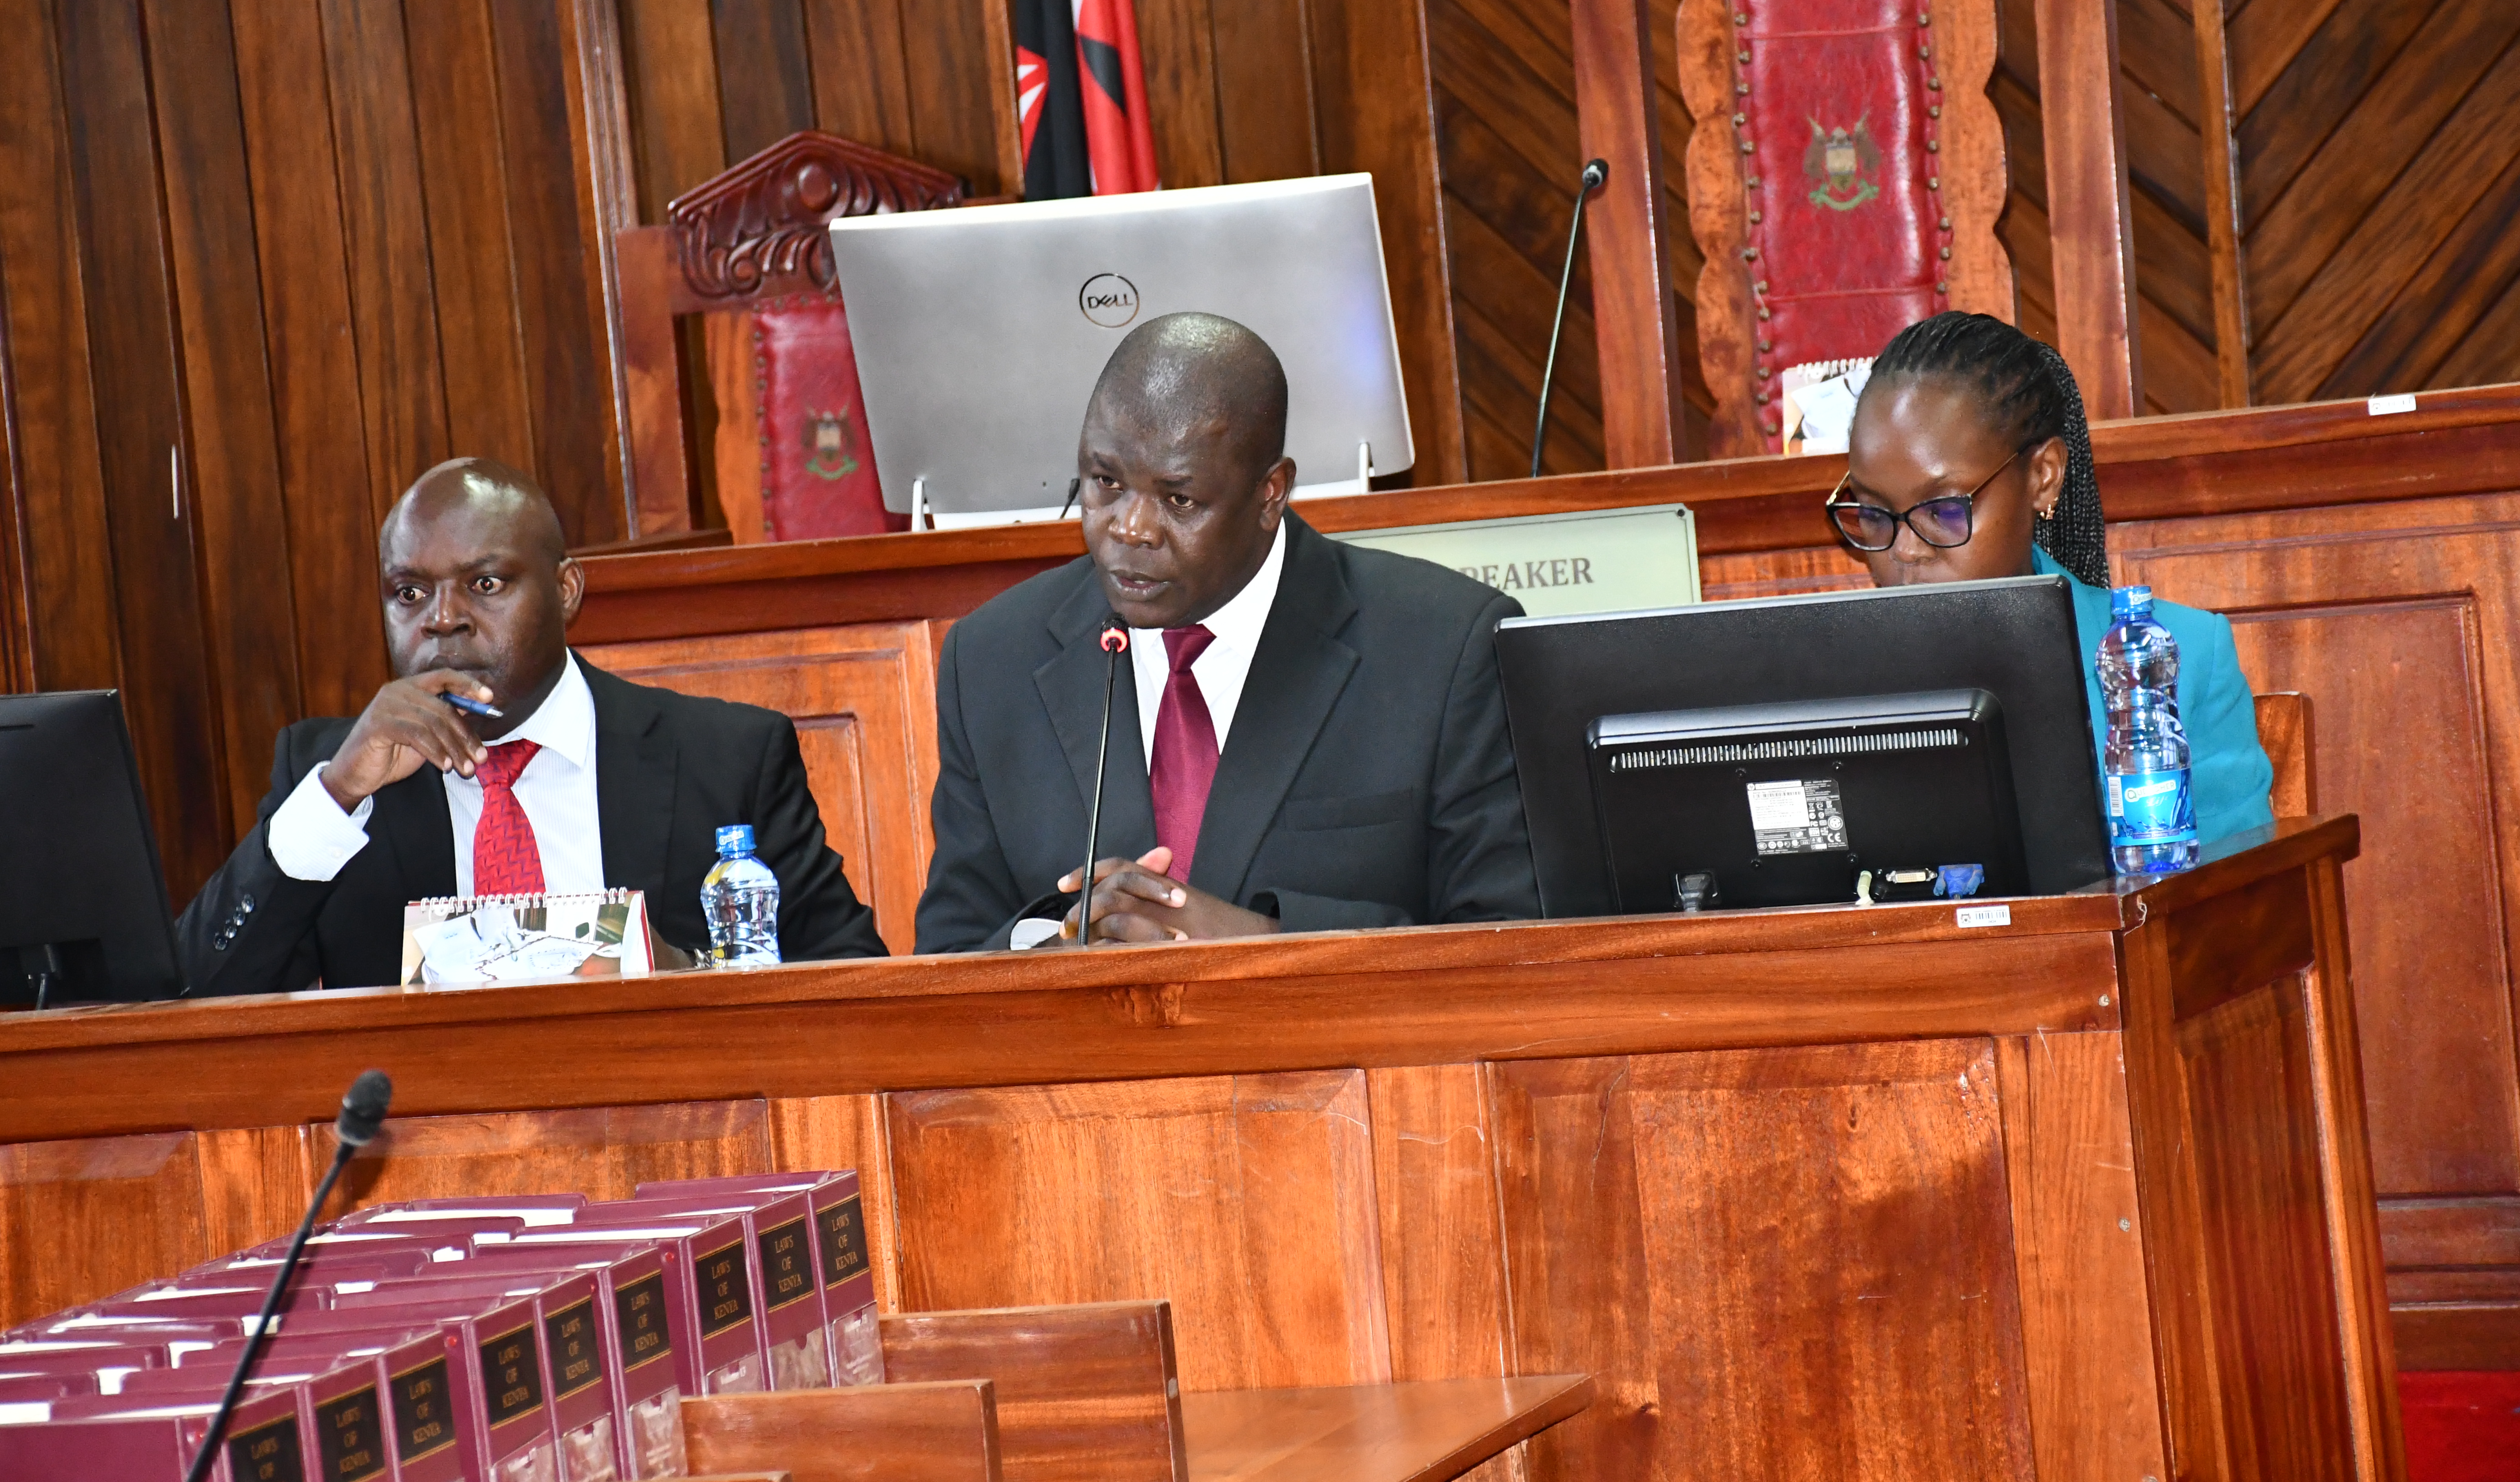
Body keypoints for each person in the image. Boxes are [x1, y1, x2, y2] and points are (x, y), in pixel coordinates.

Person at [916, 312, 1539, 951]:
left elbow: (1513, 942)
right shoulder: (992, 660)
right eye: (1106, 482)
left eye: (1179, 500)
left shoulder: (1443, 648)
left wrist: (1265, 942)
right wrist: (1063, 957)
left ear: (1271, 494)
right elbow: (948, 960)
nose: (1130, 528)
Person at [177, 459, 886, 993]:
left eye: (485, 584)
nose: (442, 618)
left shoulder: (724, 758)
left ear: (566, 591)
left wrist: (694, 976)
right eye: (409, 593)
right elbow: (197, 995)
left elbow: (852, 982)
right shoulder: (335, 778)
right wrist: (335, 796)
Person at [1830, 310, 2274, 846]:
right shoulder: (1827, 677)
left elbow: (2241, 905)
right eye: (1875, 514)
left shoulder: (2185, 658)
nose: (1903, 551)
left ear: (2043, 477)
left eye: (1943, 511)